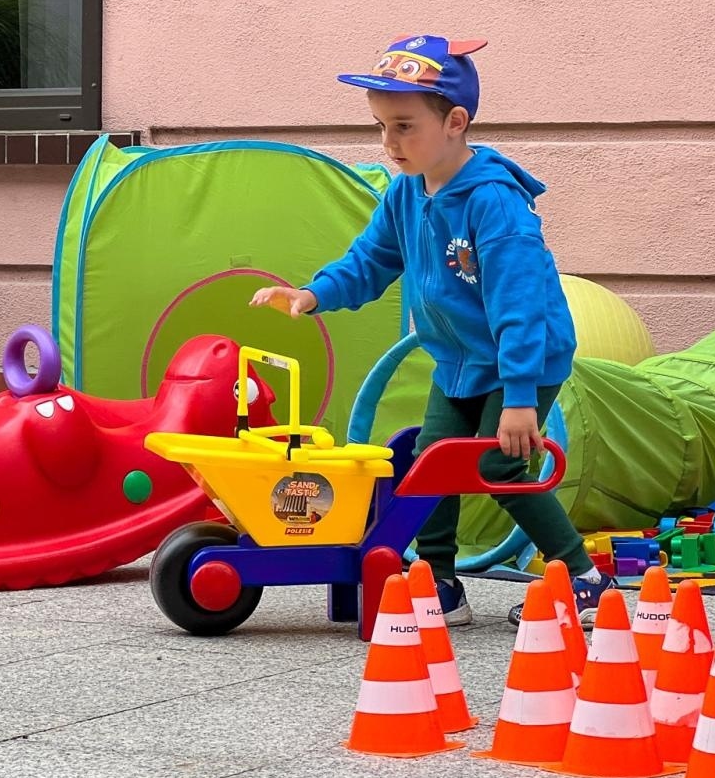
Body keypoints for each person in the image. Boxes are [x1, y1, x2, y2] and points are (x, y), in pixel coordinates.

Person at [251, 34, 613, 627]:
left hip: (523, 358)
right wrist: (314, 293)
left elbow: (519, 302)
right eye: (381, 127)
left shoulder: (494, 202)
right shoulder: (405, 195)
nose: (389, 143)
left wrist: (520, 397)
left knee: (499, 468)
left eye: (403, 126)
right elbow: (369, 261)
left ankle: (586, 579)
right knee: (429, 461)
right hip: (458, 360)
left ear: (455, 122)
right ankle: (442, 584)